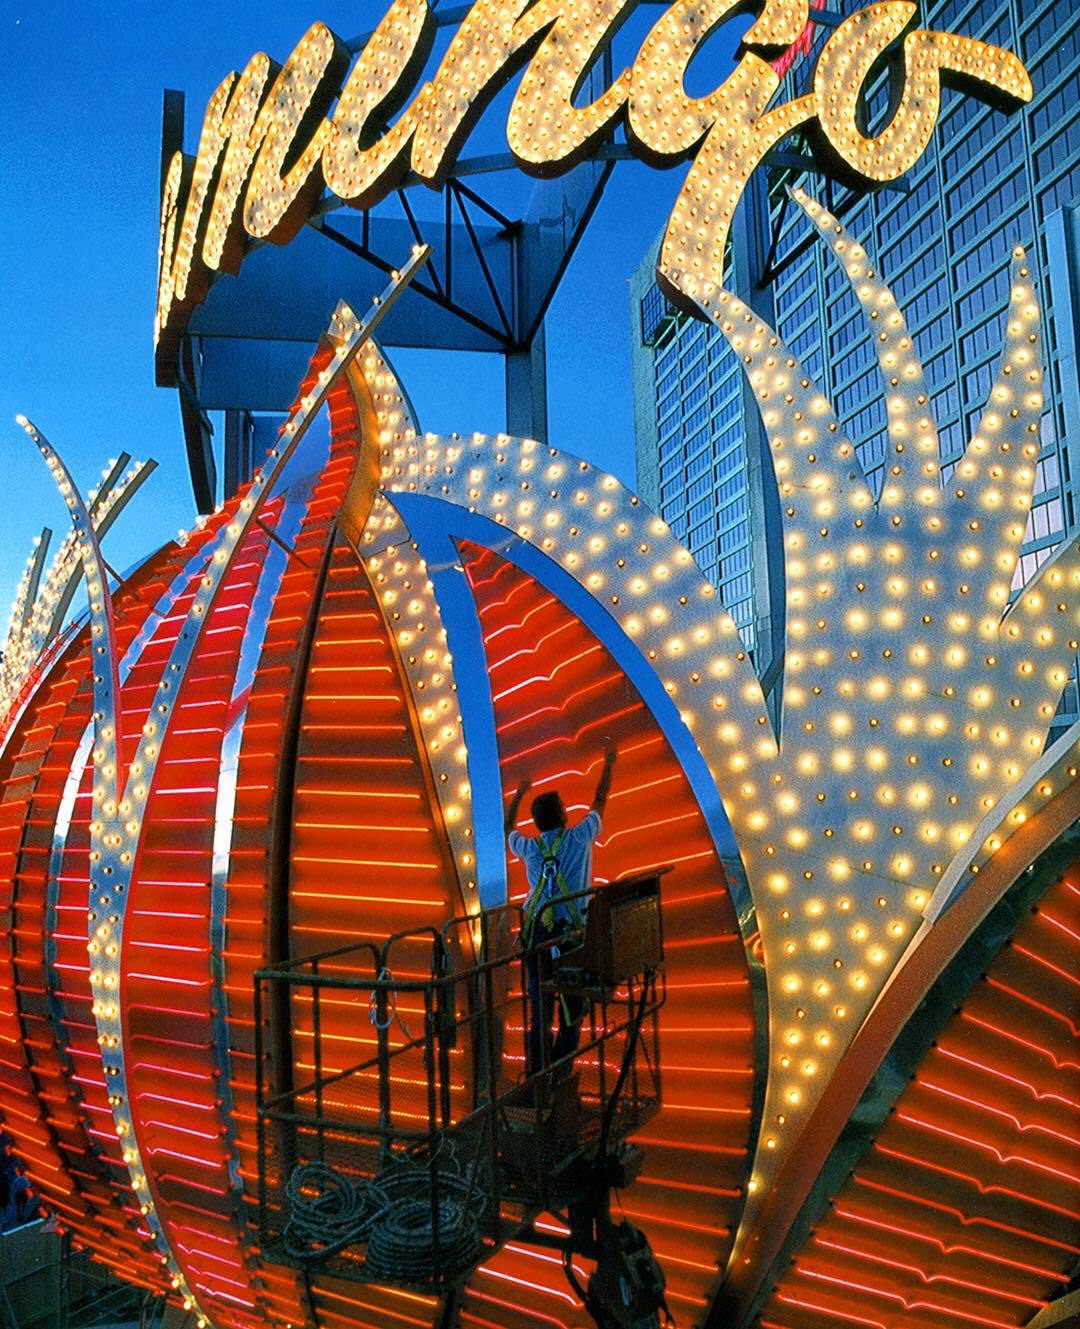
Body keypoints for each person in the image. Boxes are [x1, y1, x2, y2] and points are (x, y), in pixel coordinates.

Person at [505, 749, 617, 1074]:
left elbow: (506, 827)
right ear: (564, 815)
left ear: (537, 822)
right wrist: (608, 763)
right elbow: (600, 799)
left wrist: (520, 793)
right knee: (573, 1007)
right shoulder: (580, 837)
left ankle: (538, 1074)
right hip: (572, 938)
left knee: (540, 1007)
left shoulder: (529, 847)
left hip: (537, 936)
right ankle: (560, 1072)